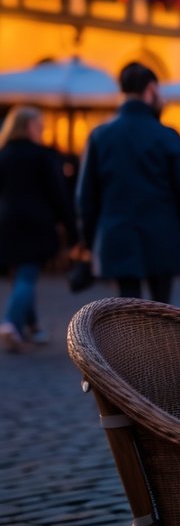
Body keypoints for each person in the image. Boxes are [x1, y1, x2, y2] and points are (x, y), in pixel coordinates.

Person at [77, 62, 180, 305]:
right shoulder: (167, 136)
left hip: (117, 235)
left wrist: (89, 241)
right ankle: (159, 344)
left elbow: (86, 197)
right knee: (162, 307)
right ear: (151, 89)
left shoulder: (100, 136)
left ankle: (132, 345)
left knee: (128, 307)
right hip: (164, 235)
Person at [0, 107, 76, 352]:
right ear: (26, 127)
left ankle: (33, 327)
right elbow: (58, 195)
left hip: (7, 222)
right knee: (28, 275)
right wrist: (71, 228)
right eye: (38, 125)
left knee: (23, 274)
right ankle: (11, 322)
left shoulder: (3, 154)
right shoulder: (42, 156)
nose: (42, 129)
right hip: (36, 223)